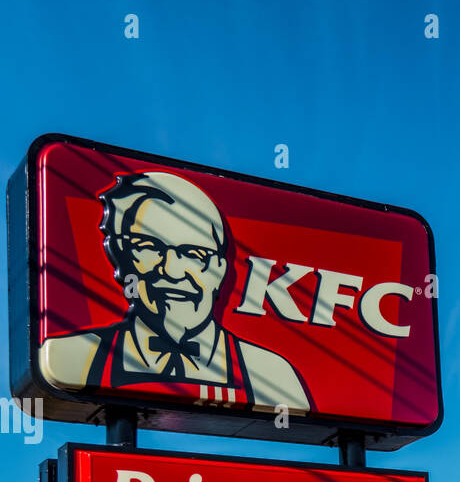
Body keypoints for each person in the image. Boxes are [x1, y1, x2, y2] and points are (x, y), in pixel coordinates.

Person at [38, 171, 310, 413]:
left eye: (194, 254)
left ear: (219, 269)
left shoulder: (274, 379)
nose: (173, 270)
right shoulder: (72, 358)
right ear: (121, 257)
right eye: (148, 247)